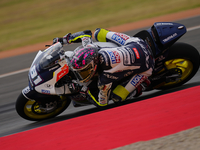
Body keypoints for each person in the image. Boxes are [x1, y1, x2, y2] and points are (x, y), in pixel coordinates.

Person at [53, 28, 154, 107]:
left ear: (93, 66)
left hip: (147, 65)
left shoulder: (105, 78)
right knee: (98, 32)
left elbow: (102, 103)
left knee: (117, 97)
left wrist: (84, 90)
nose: (81, 75)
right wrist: (63, 40)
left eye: (83, 72)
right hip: (136, 42)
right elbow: (86, 34)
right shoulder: (91, 48)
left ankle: (143, 85)